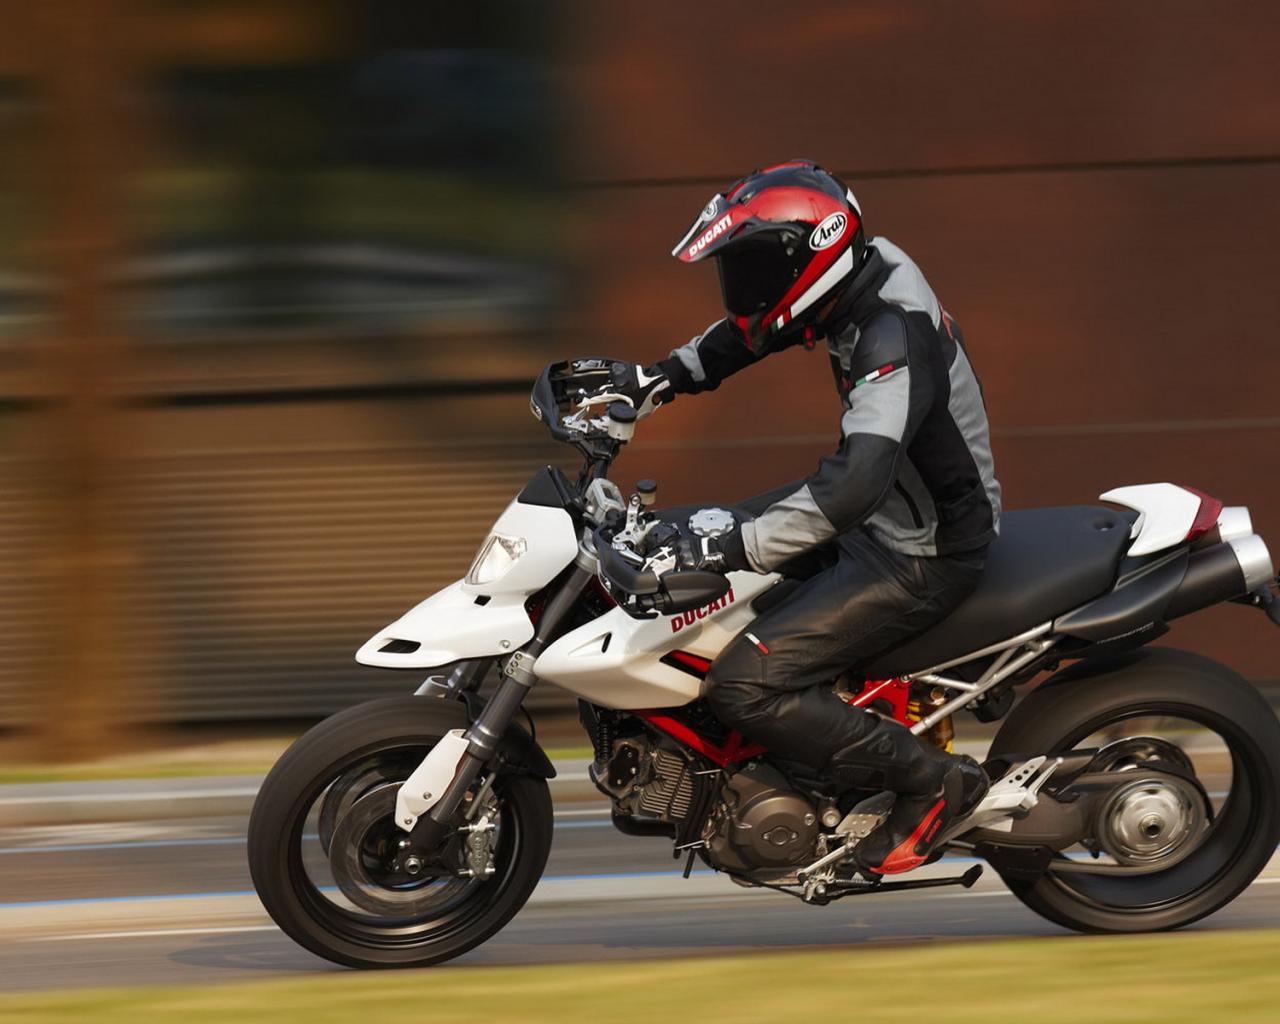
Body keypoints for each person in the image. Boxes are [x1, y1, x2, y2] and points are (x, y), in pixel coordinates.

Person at [594, 160, 1001, 874]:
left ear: (811, 261)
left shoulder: (893, 335)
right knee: (674, 536)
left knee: (744, 682)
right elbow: (751, 333)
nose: (743, 288)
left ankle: (934, 784)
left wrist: (737, 545)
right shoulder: (855, 279)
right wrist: (655, 380)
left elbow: (853, 486)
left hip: (923, 549)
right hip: (886, 513)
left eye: (755, 271)